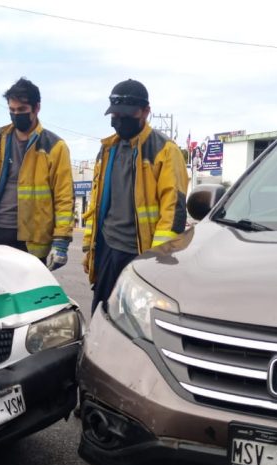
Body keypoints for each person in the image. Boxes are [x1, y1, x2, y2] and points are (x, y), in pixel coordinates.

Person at [82, 79, 189, 312]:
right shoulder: (107, 149)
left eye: (127, 113)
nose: (119, 119)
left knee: (135, 322)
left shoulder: (165, 151)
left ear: (146, 112)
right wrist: (89, 247)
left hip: (139, 254)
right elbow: (97, 203)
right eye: (116, 113)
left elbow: (174, 211)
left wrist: (156, 260)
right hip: (107, 249)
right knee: (102, 315)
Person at [0, 78, 75, 270]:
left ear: (36, 108)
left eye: (22, 110)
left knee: (27, 298)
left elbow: (64, 197)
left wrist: (61, 241)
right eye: (12, 110)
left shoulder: (55, 147)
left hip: (32, 240)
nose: (16, 115)